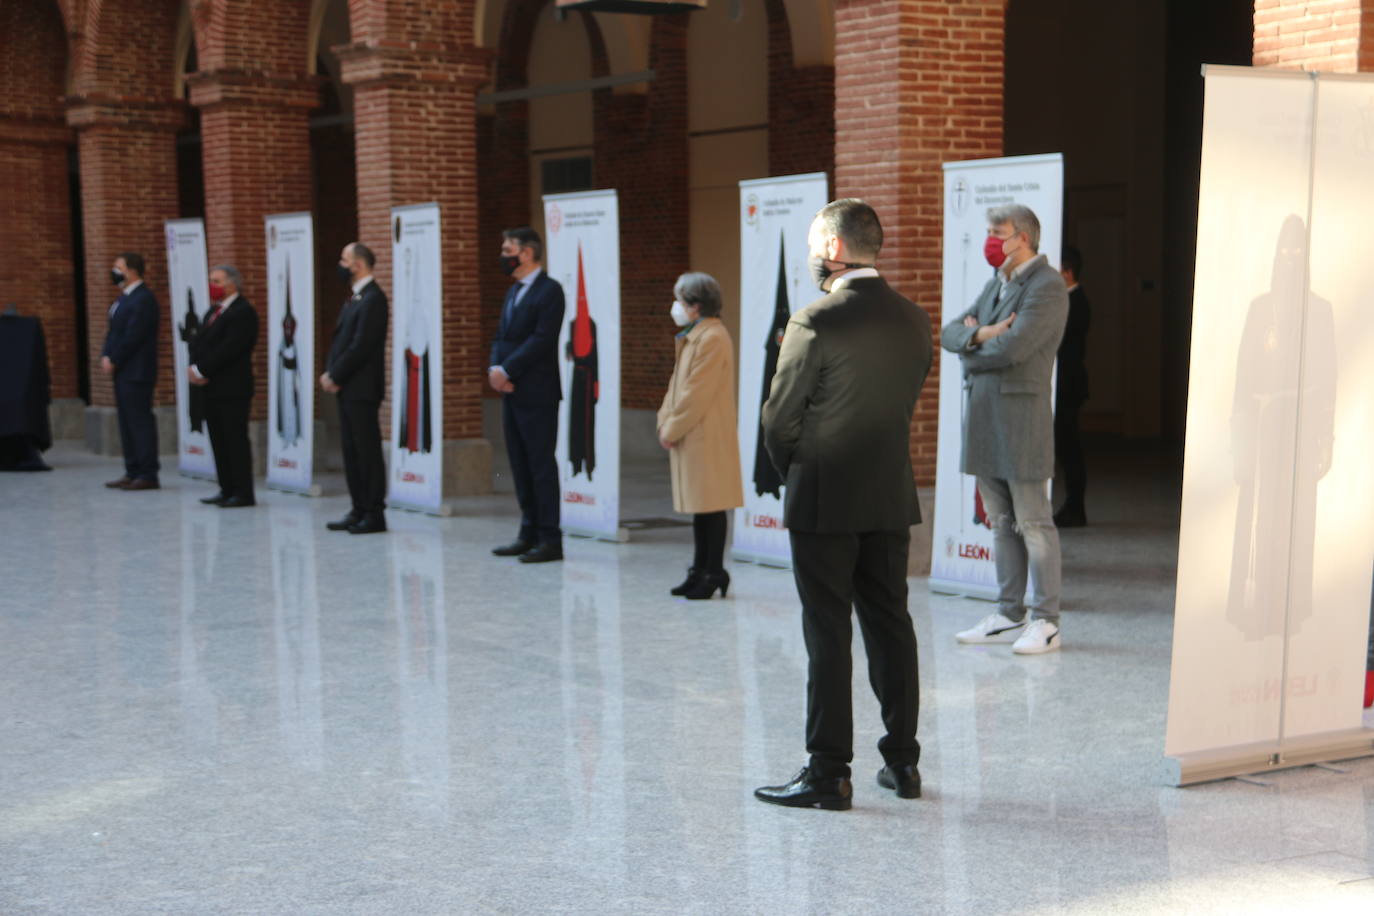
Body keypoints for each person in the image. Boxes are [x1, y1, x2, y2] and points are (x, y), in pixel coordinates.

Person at [753, 199, 933, 810]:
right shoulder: (914, 319)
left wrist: (795, 470)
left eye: (812, 245)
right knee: (891, 626)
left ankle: (828, 772)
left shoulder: (814, 320)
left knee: (827, 631)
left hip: (825, 496)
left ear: (832, 249)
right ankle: (903, 764)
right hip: (888, 493)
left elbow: (778, 421)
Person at [942, 204, 1069, 655]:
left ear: (1024, 238)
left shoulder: (1047, 286)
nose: (991, 241)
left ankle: (1047, 620)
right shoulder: (997, 282)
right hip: (984, 416)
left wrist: (977, 346)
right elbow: (950, 331)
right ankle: (1008, 612)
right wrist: (981, 334)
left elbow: (1015, 349)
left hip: (1021, 419)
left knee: (1034, 521)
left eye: (998, 233)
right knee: (1001, 522)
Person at [656, 272, 744, 600]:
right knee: (700, 506)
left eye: (680, 301)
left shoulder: (713, 337)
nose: (676, 307)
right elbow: (676, 385)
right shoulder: (693, 334)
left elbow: (696, 393)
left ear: (695, 306)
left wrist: (673, 427)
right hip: (688, 432)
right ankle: (699, 569)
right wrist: (664, 420)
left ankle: (713, 571)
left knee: (711, 504)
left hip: (705, 433)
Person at [489, 227, 566, 564]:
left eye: (509, 249)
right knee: (518, 465)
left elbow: (542, 339)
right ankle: (528, 531)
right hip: (510, 390)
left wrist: (508, 370)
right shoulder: (513, 291)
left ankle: (550, 538)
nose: (504, 255)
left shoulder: (550, 291)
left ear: (527, 253)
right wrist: (496, 368)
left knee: (539, 465)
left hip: (536, 391)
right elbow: (501, 336)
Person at [321, 242, 388, 535]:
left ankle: (374, 513)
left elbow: (362, 344)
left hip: (361, 388)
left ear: (358, 264)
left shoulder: (374, 298)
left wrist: (335, 373)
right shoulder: (356, 297)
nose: (340, 264)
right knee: (350, 450)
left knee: (366, 451)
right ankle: (358, 507)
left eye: (344, 259)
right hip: (347, 387)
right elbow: (342, 340)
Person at [188, 265, 259, 508]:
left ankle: (242, 492)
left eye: (216, 281)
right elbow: (200, 343)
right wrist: (195, 368)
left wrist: (203, 370)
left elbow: (230, 349)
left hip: (232, 388)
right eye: (211, 280)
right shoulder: (213, 311)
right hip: (210, 387)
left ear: (232, 284)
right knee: (218, 439)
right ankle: (225, 487)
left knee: (234, 439)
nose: (212, 285)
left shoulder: (243, 312)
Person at [101, 252, 161, 491]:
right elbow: (113, 332)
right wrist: (106, 354)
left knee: (139, 420)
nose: (114, 271)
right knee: (126, 421)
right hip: (122, 370)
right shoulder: (122, 299)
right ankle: (132, 469)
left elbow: (134, 335)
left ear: (132, 270)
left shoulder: (143, 299)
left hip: (137, 370)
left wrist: (115, 358)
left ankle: (147, 473)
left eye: (118, 267)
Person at [1054, 246, 1091, 527]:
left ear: (1067, 272)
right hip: (1063, 383)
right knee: (1065, 447)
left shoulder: (1076, 302)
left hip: (1068, 384)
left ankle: (1075, 507)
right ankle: (1071, 505)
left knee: (1070, 448)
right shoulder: (1068, 300)